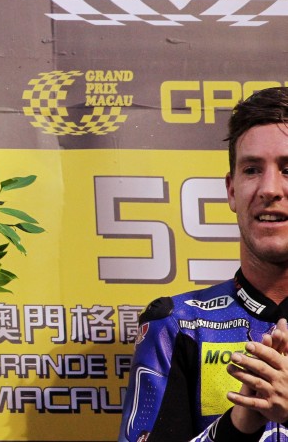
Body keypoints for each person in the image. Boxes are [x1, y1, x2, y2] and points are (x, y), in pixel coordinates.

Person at [119, 86, 288, 442]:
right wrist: (237, 425)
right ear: (231, 190)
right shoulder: (177, 325)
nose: (269, 188)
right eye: (253, 169)